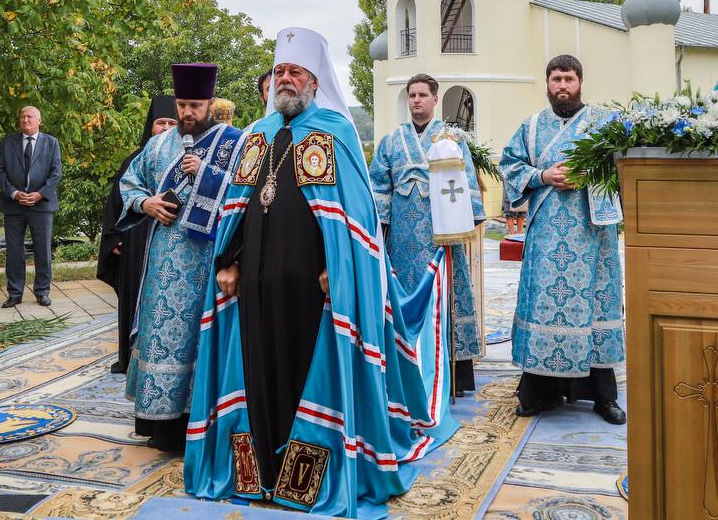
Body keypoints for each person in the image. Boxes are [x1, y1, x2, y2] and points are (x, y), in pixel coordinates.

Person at [186, 28, 456, 516]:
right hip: (256, 283)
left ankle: (305, 479)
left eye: (295, 72)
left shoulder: (335, 132)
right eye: (280, 72)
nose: (285, 80)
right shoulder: (257, 134)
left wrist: (339, 269)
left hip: (313, 287)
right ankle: (261, 474)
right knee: (257, 371)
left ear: (314, 80)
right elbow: (237, 209)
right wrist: (230, 262)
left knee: (307, 371)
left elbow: (354, 217)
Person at [118, 65, 243, 451]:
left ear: (210, 103)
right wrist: (147, 203)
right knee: (161, 335)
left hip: (210, 258)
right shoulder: (158, 146)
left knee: (202, 337)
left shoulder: (234, 143)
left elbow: (247, 195)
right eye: (183, 104)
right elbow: (130, 183)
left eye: (195, 105)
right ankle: (161, 425)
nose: (188, 112)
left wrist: (207, 173)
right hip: (164, 262)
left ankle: (201, 423)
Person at [499, 55, 625, 424]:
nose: (562, 86)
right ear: (548, 83)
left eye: (569, 78)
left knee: (594, 307)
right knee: (544, 306)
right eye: (556, 79)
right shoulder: (532, 126)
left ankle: (602, 395)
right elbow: (509, 165)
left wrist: (589, 175)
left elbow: (623, 165)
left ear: (580, 82)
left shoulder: (603, 123)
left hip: (592, 234)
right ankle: (538, 392)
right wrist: (543, 176)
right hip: (547, 235)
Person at [370, 73, 485, 395]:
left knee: (445, 297)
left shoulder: (452, 139)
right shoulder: (392, 141)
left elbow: (468, 180)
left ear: (435, 99)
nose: (416, 100)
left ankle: (452, 374)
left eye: (422, 95)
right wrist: (379, 229)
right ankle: (406, 370)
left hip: (441, 236)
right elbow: (379, 186)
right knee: (403, 298)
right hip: (401, 240)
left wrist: (466, 223)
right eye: (412, 95)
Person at [97, 95, 175, 374]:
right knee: (134, 298)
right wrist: (113, 237)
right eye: (160, 122)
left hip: (172, 241)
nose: (166, 128)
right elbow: (116, 201)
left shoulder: (187, 159)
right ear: (150, 125)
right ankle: (131, 358)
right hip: (136, 241)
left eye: (172, 123)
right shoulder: (134, 159)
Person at [0, 106, 62, 308]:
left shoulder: (51, 143)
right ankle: (15, 294)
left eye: (30, 116)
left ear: (39, 120)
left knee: (43, 250)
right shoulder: (7, 143)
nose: (25, 120)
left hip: (42, 204)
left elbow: (56, 173)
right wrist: (14, 193)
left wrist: (40, 194)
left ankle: (42, 292)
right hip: (13, 205)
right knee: (14, 251)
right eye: (22, 116)